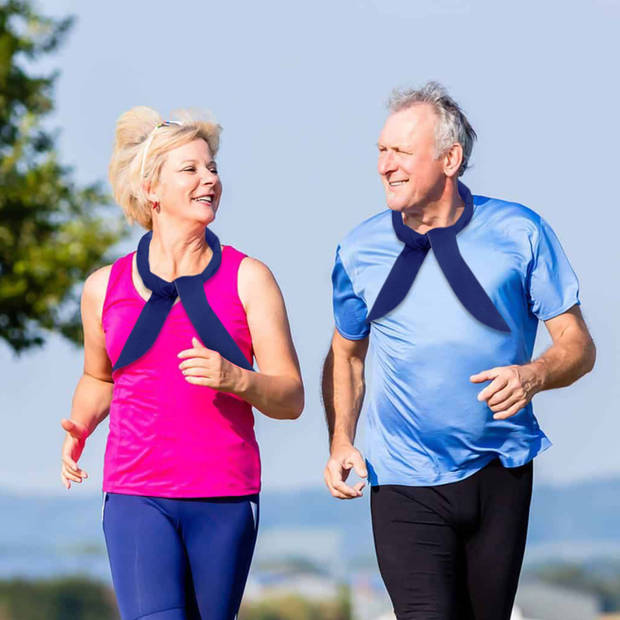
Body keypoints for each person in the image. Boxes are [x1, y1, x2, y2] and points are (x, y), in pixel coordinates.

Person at [322, 82, 595, 620]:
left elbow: (578, 346)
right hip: (401, 476)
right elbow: (346, 354)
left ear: (450, 159)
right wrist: (340, 440)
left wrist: (534, 374)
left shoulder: (520, 231)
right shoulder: (359, 249)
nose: (384, 165)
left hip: (501, 469)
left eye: (400, 152)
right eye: (381, 150)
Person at [60, 107, 304, 620]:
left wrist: (235, 378)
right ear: (152, 189)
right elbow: (98, 377)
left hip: (225, 496)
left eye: (211, 167)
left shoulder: (249, 279)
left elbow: (291, 397)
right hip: (135, 492)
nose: (209, 179)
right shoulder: (103, 287)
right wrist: (80, 426)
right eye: (190, 169)